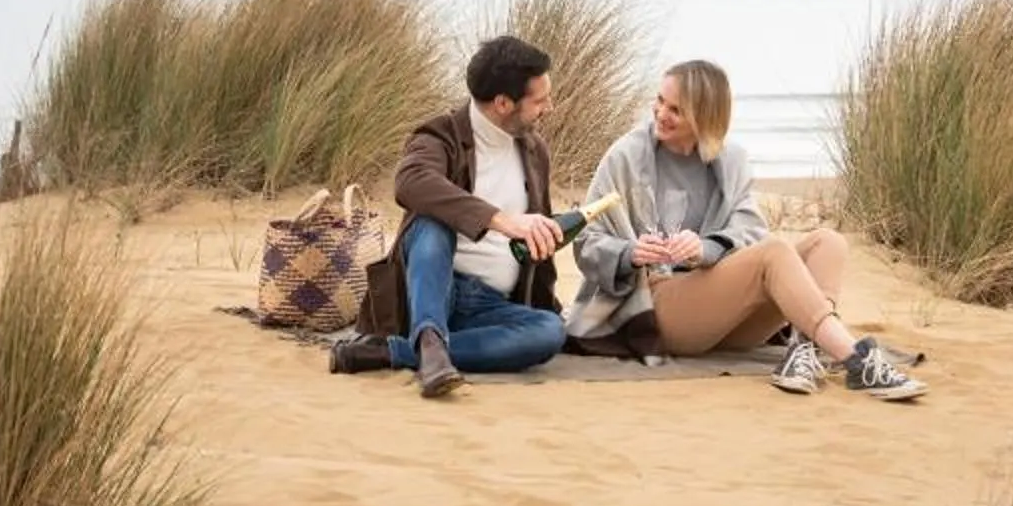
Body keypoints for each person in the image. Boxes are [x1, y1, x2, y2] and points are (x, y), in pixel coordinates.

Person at [565, 60, 924, 400]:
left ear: (704, 115)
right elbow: (586, 240)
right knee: (774, 253)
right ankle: (857, 361)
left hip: (726, 314)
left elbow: (750, 229)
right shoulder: (625, 156)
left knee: (828, 242)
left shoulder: (730, 160)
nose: (660, 113)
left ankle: (804, 348)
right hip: (656, 307)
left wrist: (705, 248)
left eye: (676, 109)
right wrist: (630, 253)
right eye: (660, 101)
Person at [330, 34, 568, 396]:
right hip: (430, 291)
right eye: (540, 100)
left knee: (549, 331)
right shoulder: (441, 134)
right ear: (503, 103)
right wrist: (502, 220)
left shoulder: (535, 150)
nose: (549, 107)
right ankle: (428, 338)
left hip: (489, 305)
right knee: (431, 222)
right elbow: (412, 182)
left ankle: (398, 352)